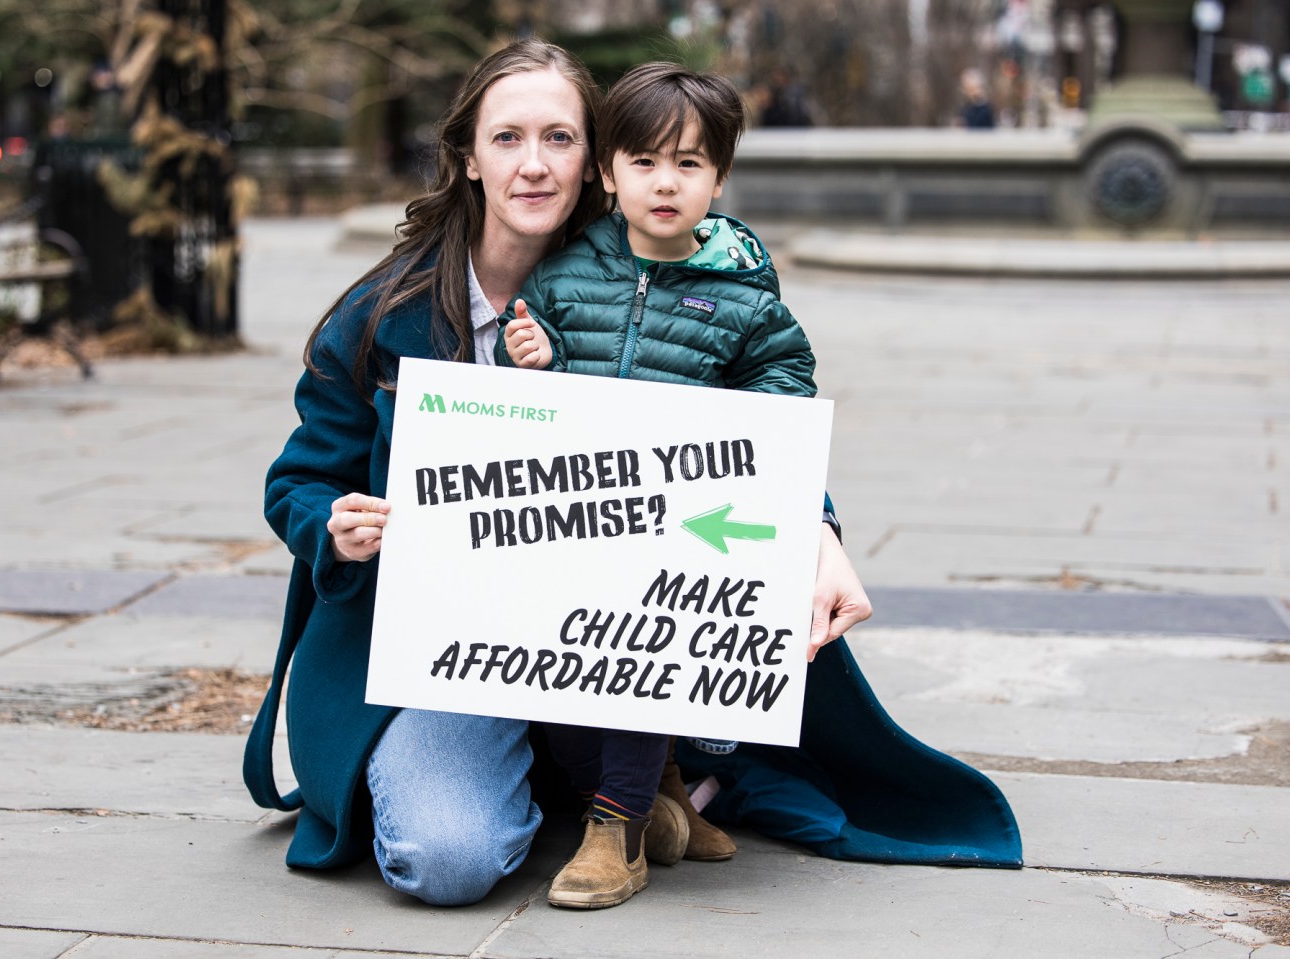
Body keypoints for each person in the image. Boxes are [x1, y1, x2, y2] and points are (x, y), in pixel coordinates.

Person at [243, 38, 1021, 910]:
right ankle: (570, 786)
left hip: (604, 630)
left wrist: (817, 531)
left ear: (594, 162)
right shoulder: (381, 312)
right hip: (438, 648)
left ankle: (615, 796)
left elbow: (749, 426)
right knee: (445, 862)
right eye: (507, 139)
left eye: (559, 139)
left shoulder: (658, 269)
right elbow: (296, 484)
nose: (534, 165)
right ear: (467, 156)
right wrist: (332, 524)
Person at [494, 61, 829, 909]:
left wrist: (745, 423)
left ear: (718, 175)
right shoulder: (566, 275)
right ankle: (666, 788)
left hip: (683, 523)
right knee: (566, 679)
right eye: (644, 162)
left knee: (649, 648)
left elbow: (785, 377)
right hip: (585, 515)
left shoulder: (743, 288)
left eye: (689, 162)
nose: (666, 181)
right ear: (608, 174)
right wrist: (532, 361)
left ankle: (618, 829)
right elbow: (523, 399)